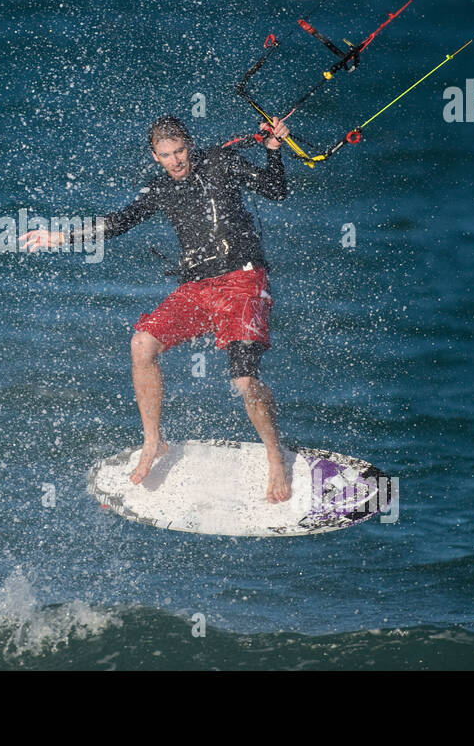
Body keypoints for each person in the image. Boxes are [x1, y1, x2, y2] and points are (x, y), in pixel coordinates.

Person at [21, 115, 294, 502]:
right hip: (197, 288)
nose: (176, 161)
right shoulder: (161, 188)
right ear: (155, 157)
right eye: (166, 155)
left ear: (190, 146)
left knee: (244, 381)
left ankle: (274, 456)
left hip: (242, 281)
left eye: (180, 151)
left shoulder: (222, 163)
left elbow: (276, 190)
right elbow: (117, 224)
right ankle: (153, 441)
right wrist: (60, 236)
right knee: (141, 344)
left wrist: (273, 150)